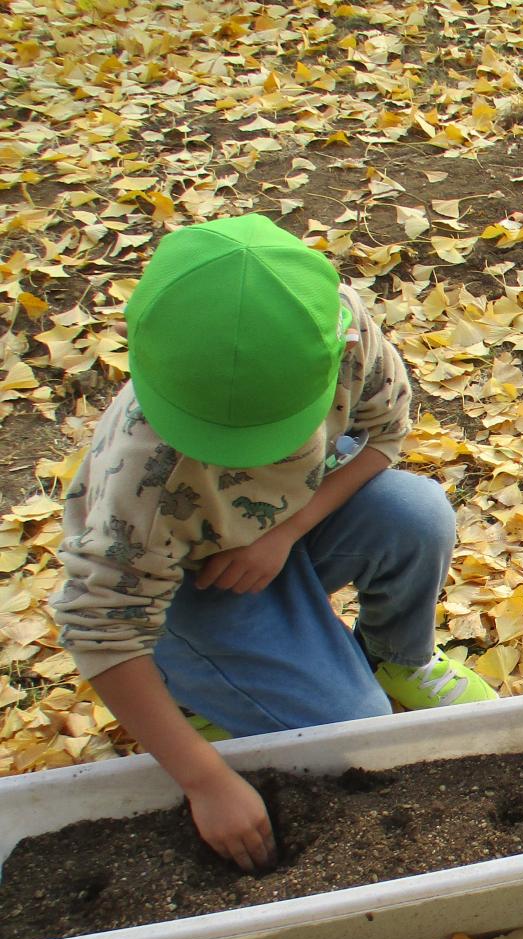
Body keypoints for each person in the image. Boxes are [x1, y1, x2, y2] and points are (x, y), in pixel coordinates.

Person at [51, 214, 496, 872]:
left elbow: (385, 437)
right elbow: (100, 630)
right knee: (358, 731)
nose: (253, 456)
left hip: (281, 532)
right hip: (192, 587)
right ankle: (189, 693)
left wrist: (287, 532)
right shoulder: (144, 481)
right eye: (223, 445)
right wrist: (204, 780)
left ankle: (398, 657)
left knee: (418, 509)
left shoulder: (338, 332)